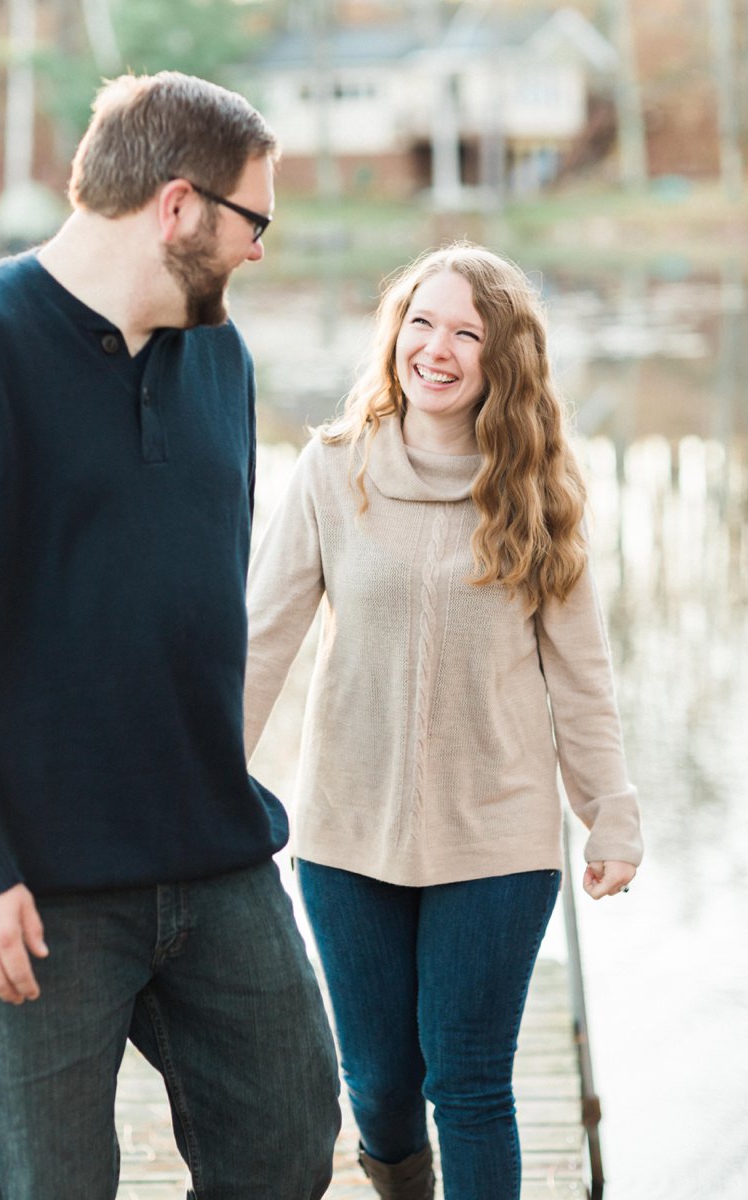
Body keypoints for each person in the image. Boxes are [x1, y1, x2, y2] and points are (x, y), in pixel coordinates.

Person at [0, 72, 340, 1200]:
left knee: (285, 1149)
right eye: (251, 220)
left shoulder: (221, 359)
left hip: (213, 856)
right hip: (32, 890)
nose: (259, 250)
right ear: (177, 206)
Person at [244, 244, 643, 1200]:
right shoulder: (333, 472)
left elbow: (580, 679)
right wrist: (200, 785)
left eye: (468, 333)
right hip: (347, 834)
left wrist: (611, 809)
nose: (439, 348)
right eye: (423, 322)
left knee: (468, 1086)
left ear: (502, 362)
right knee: (379, 1085)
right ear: (395, 334)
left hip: (495, 844)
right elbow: (261, 642)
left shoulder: (539, 497)